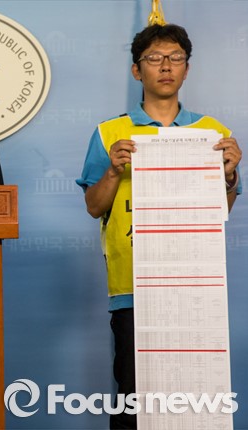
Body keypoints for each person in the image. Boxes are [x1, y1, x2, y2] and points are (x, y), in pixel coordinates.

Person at [76, 24, 242, 429]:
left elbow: (221, 210)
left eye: (175, 58)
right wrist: (113, 172)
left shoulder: (213, 133)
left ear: (187, 68)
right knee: (135, 400)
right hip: (133, 287)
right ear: (137, 70)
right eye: (154, 58)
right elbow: (94, 207)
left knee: (197, 401)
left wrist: (229, 176)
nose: (166, 66)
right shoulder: (110, 132)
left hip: (197, 286)